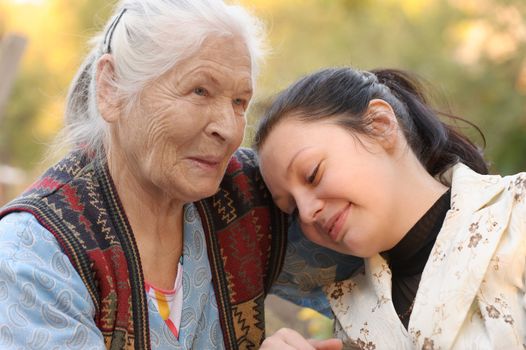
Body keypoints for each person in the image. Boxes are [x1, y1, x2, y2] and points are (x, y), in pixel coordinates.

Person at [0, 2, 360, 349]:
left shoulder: (251, 197)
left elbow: (392, 263)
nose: (228, 130)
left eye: (239, 102)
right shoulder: (32, 257)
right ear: (111, 87)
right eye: (200, 91)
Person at [254, 67, 526, 349]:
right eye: (293, 210)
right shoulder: (350, 316)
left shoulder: (516, 217)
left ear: (380, 125)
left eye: (312, 174)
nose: (308, 212)